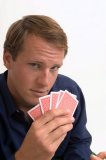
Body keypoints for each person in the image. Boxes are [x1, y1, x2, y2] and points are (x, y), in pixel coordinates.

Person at [0, 15, 92, 160]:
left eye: (54, 67)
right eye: (35, 65)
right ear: (8, 59)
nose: (45, 82)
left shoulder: (69, 90)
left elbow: (79, 142)